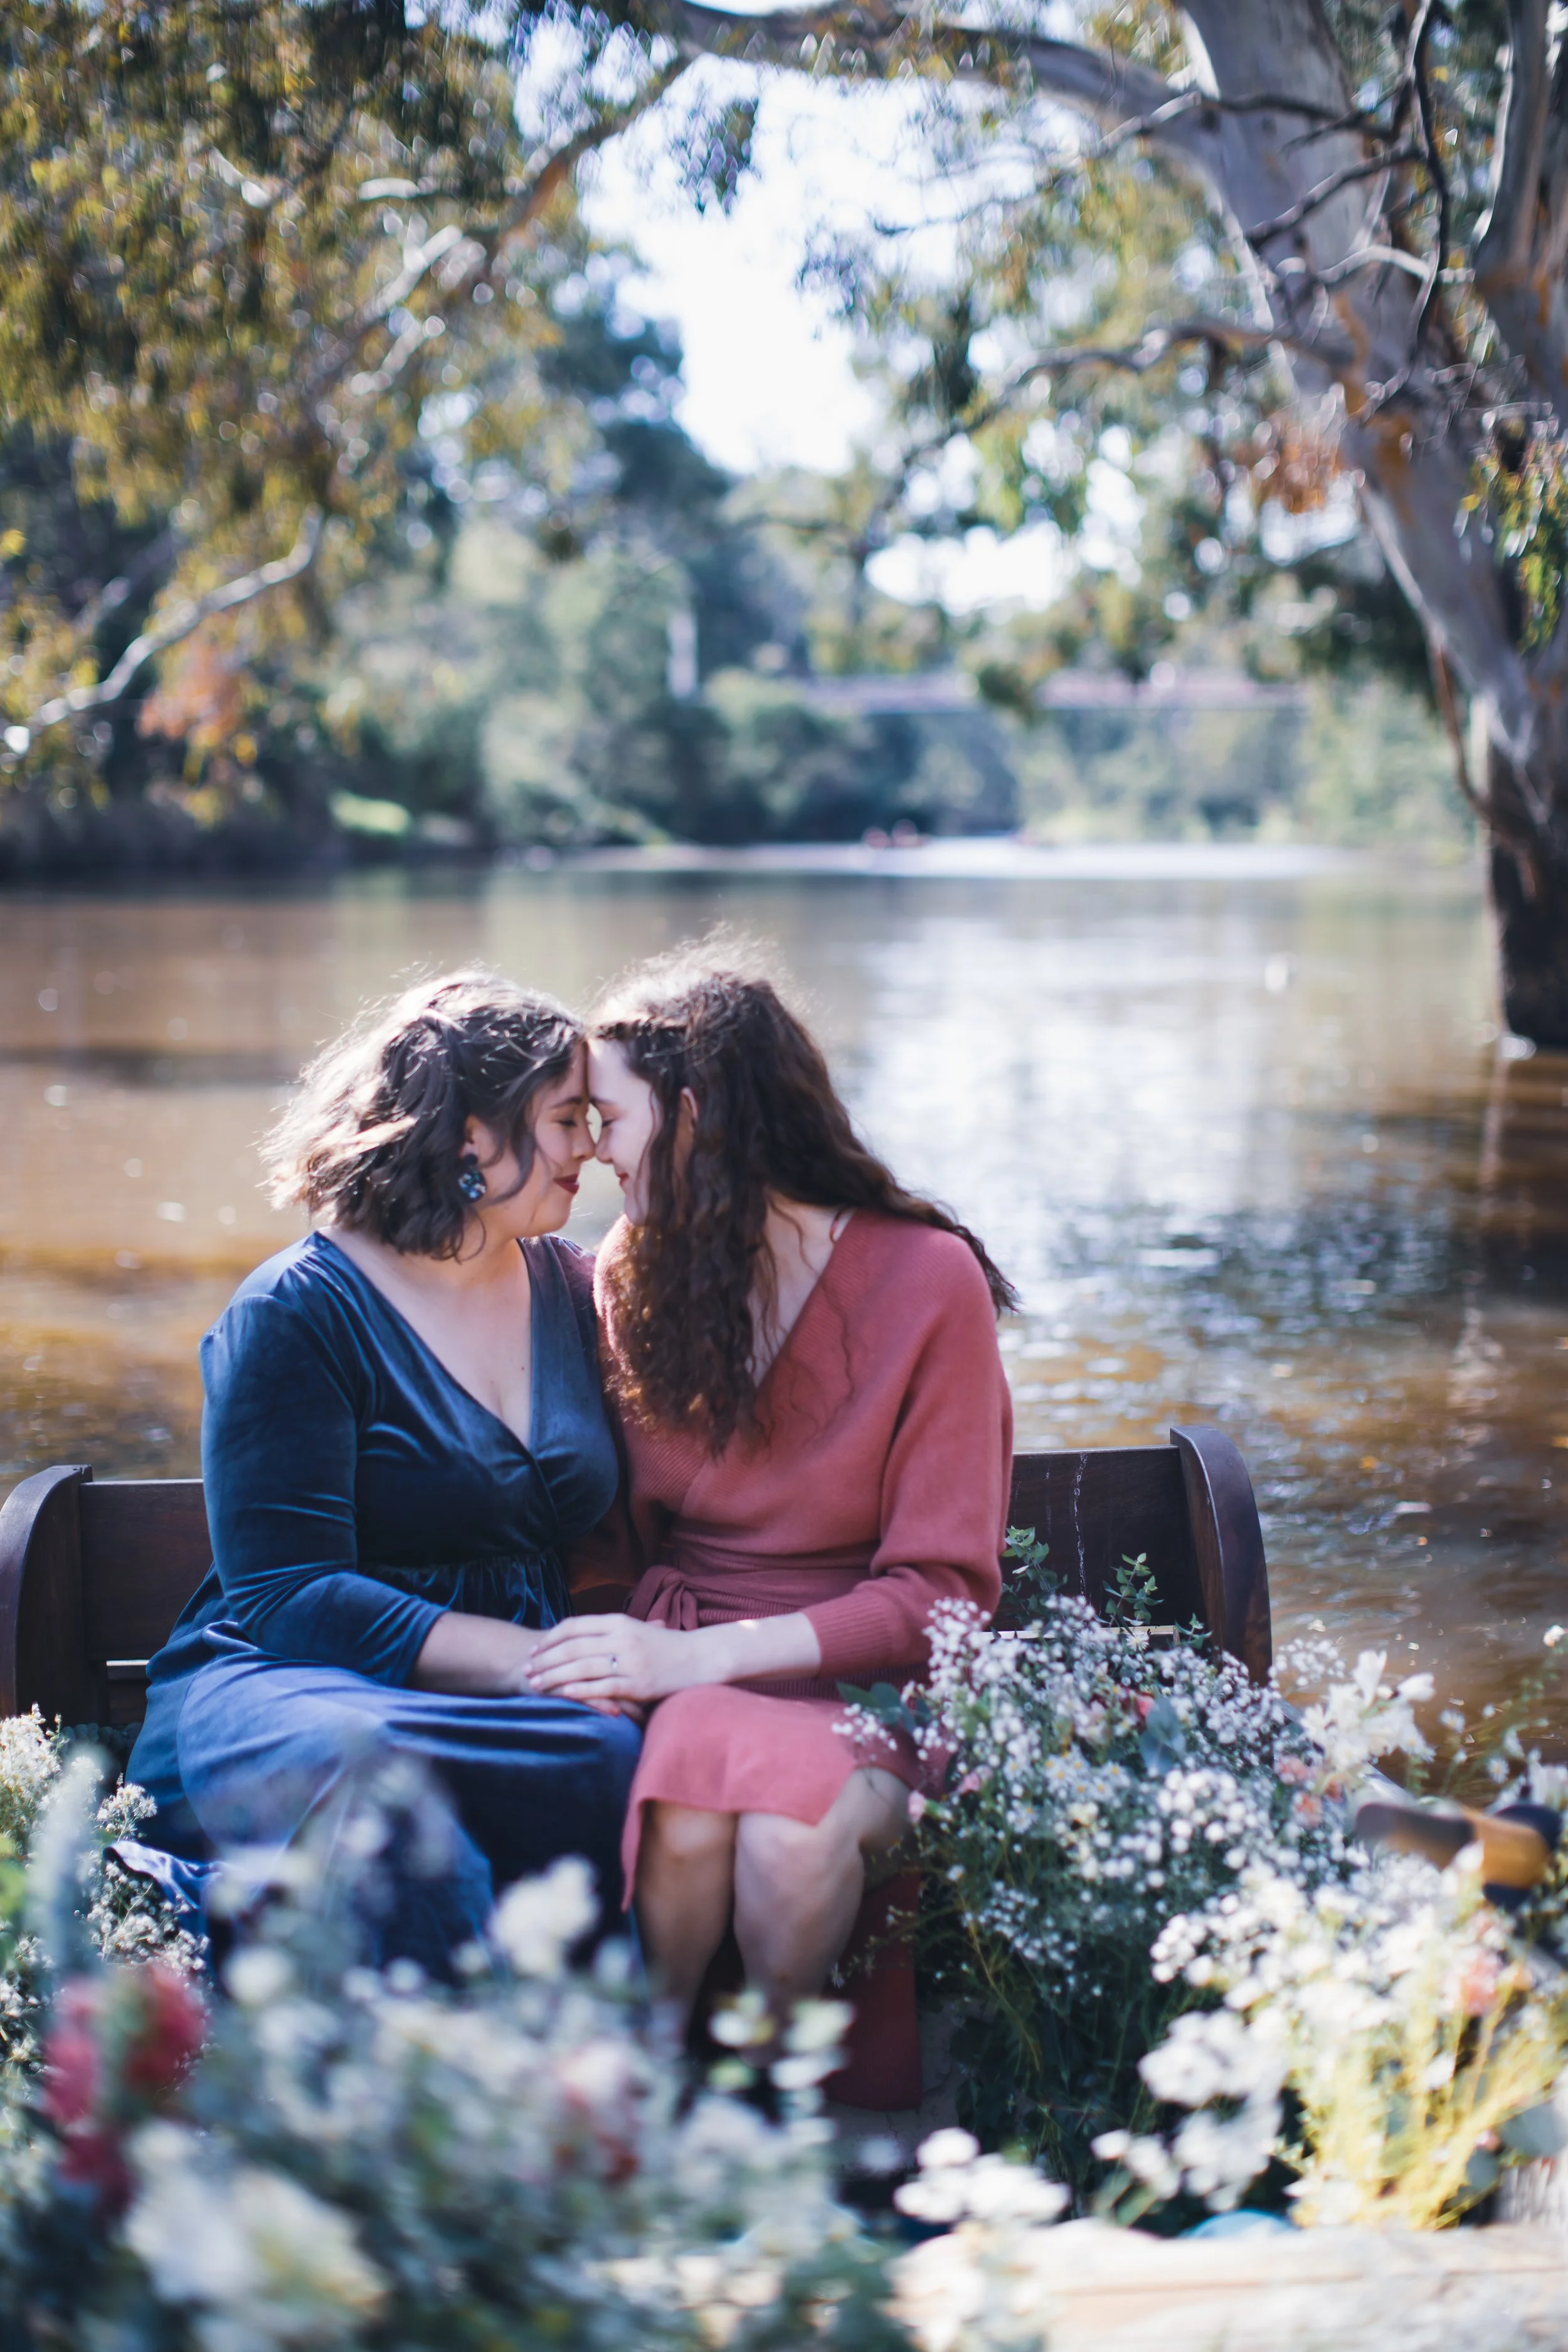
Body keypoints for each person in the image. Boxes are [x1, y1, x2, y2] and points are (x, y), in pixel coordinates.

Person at [528, 957, 1015, 2029]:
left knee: (792, 1828)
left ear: (693, 1115)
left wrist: (703, 1657)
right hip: (679, 1667)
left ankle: (785, 2116)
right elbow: (605, 1534)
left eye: (607, 1116)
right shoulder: (628, 1270)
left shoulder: (930, 1281)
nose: (592, 1148)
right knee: (697, 1784)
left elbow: (942, 1597)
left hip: (873, 1685)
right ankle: (657, 2089)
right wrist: (616, 1650)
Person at [127, 973, 642, 1971]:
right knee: (384, 1775)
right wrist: (532, 1660)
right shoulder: (296, 1312)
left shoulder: (576, 1289)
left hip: (513, 1685)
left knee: (604, 1754)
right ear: (468, 1137)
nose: (589, 1146)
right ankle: (408, 2089)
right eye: (564, 1117)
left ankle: (571, 2080)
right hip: (290, 1685)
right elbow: (287, 1593)